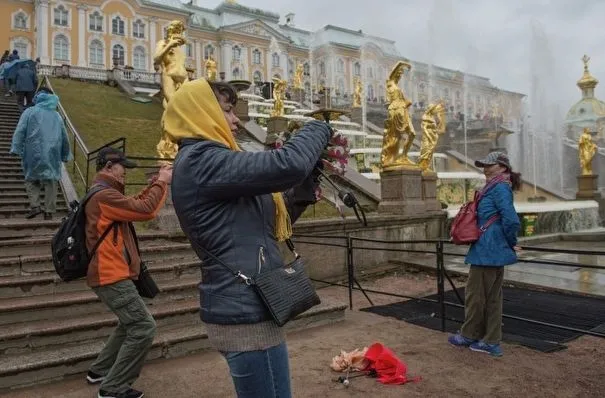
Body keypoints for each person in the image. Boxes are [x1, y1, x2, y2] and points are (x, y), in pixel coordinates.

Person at [167, 79, 332, 398]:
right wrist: (318, 126)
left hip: (258, 304)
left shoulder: (210, 161)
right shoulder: (202, 160)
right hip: (242, 312)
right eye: (228, 110)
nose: (236, 119)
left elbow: (264, 224)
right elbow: (289, 163)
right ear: (201, 113)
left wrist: (303, 187)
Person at [84, 147, 172, 398]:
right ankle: (113, 387)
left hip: (111, 272)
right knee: (143, 327)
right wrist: (162, 183)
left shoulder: (104, 194)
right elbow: (145, 211)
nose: (125, 173)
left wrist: (156, 184)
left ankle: (99, 370)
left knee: (129, 323)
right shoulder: (104, 196)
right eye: (122, 168)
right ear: (108, 167)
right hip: (109, 274)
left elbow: (136, 205)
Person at [448, 151, 521, 357]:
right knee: (491, 297)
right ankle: (489, 340)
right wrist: (507, 243)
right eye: (483, 165)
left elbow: (512, 220)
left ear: (503, 168)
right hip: (491, 249)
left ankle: (471, 335)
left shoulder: (499, 188)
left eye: (490, 165)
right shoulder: (497, 187)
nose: (485, 168)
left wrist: (511, 242)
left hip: (488, 250)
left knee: (475, 295)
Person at [10, 91, 71, 220]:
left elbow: (20, 130)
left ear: (38, 99)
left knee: (31, 179)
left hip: (33, 151)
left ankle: (35, 206)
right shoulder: (57, 116)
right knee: (52, 181)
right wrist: (66, 154)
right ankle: (49, 211)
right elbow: (64, 136)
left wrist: (16, 147)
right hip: (52, 153)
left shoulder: (29, 112)